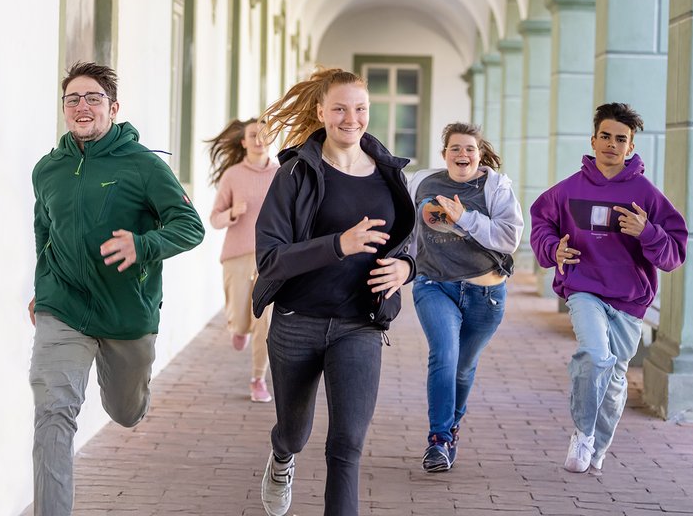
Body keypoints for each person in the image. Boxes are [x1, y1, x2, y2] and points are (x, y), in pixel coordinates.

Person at [28, 61, 205, 515]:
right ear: (64, 108)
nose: (82, 106)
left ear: (113, 107)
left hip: (126, 310)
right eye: (73, 99)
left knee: (125, 412)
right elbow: (44, 232)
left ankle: (131, 397)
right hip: (62, 306)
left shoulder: (143, 165)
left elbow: (190, 226)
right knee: (53, 412)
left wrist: (142, 245)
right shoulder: (48, 169)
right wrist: (42, 287)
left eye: (93, 98)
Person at [251, 67, 416, 516]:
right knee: (294, 432)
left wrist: (406, 267)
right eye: (340, 109)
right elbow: (270, 259)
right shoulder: (295, 174)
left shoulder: (390, 175)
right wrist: (338, 245)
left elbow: (409, 243)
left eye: (360, 108)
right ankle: (282, 456)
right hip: (296, 322)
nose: (351, 118)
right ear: (321, 111)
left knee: (347, 444)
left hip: (359, 324)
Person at [529, 102, 687, 475]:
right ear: (593, 140)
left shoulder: (646, 194)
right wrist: (553, 249)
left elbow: (674, 254)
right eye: (605, 136)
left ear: (630, 146)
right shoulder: (569, 189)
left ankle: (598, 446)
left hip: (630, 301)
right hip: (584, 289)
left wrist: (647, 232)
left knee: (615, 381)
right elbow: (541, 222)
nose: (611, 145)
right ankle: (583, 433)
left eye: (620, 139)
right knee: (595, 355)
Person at [407, 122, 524, 472]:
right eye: (455, 148)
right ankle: (438, 440)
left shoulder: (496, 188)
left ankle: (452, 426)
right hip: (434, 285)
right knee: (444, 355)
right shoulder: (423, 183)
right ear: (444, 154)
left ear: (480, 154)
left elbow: (508, 239)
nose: (462, 154)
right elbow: (407, 229)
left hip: (485, 294)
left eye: (469, 149)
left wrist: (466, 218)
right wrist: (401, 264)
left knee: (462, 368)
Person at [207, 118, 279, 403]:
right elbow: (215, 219)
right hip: (236, 256)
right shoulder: (233, 175)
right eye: (253, 135)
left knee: (265, 320)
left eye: (264, 134)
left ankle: (258, 379)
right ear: (243, 142)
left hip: (270, 258)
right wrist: (233, 213)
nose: (259, 139)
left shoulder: (282, 174)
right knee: (240, 319)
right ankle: (239, 329)